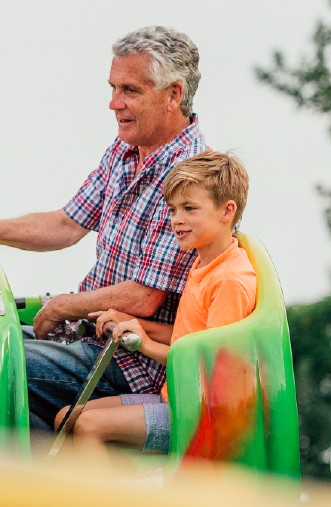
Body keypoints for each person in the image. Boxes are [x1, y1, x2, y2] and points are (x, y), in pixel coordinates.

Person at [0, 26, 209, 432]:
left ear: (174, 95)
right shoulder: (126, 149)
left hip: (132, 360)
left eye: (130, 90)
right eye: (113, 87)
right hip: (90, 337)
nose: (113, 103)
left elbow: (143, 298)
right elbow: (67, 225)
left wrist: (61, 305)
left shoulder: (191, 176)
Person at [59, 151, 256, 456]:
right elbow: (186, 336)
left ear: (226, 211)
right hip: (174, 397)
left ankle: (105, 505)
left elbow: (207, 365)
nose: (177, 219)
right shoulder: (205, 262)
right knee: (67, 419)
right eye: (173, 209)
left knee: (89, 427)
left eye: (189, 208)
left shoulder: (230, 279)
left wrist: (143, 344)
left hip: (199, 415)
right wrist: (132, 321)